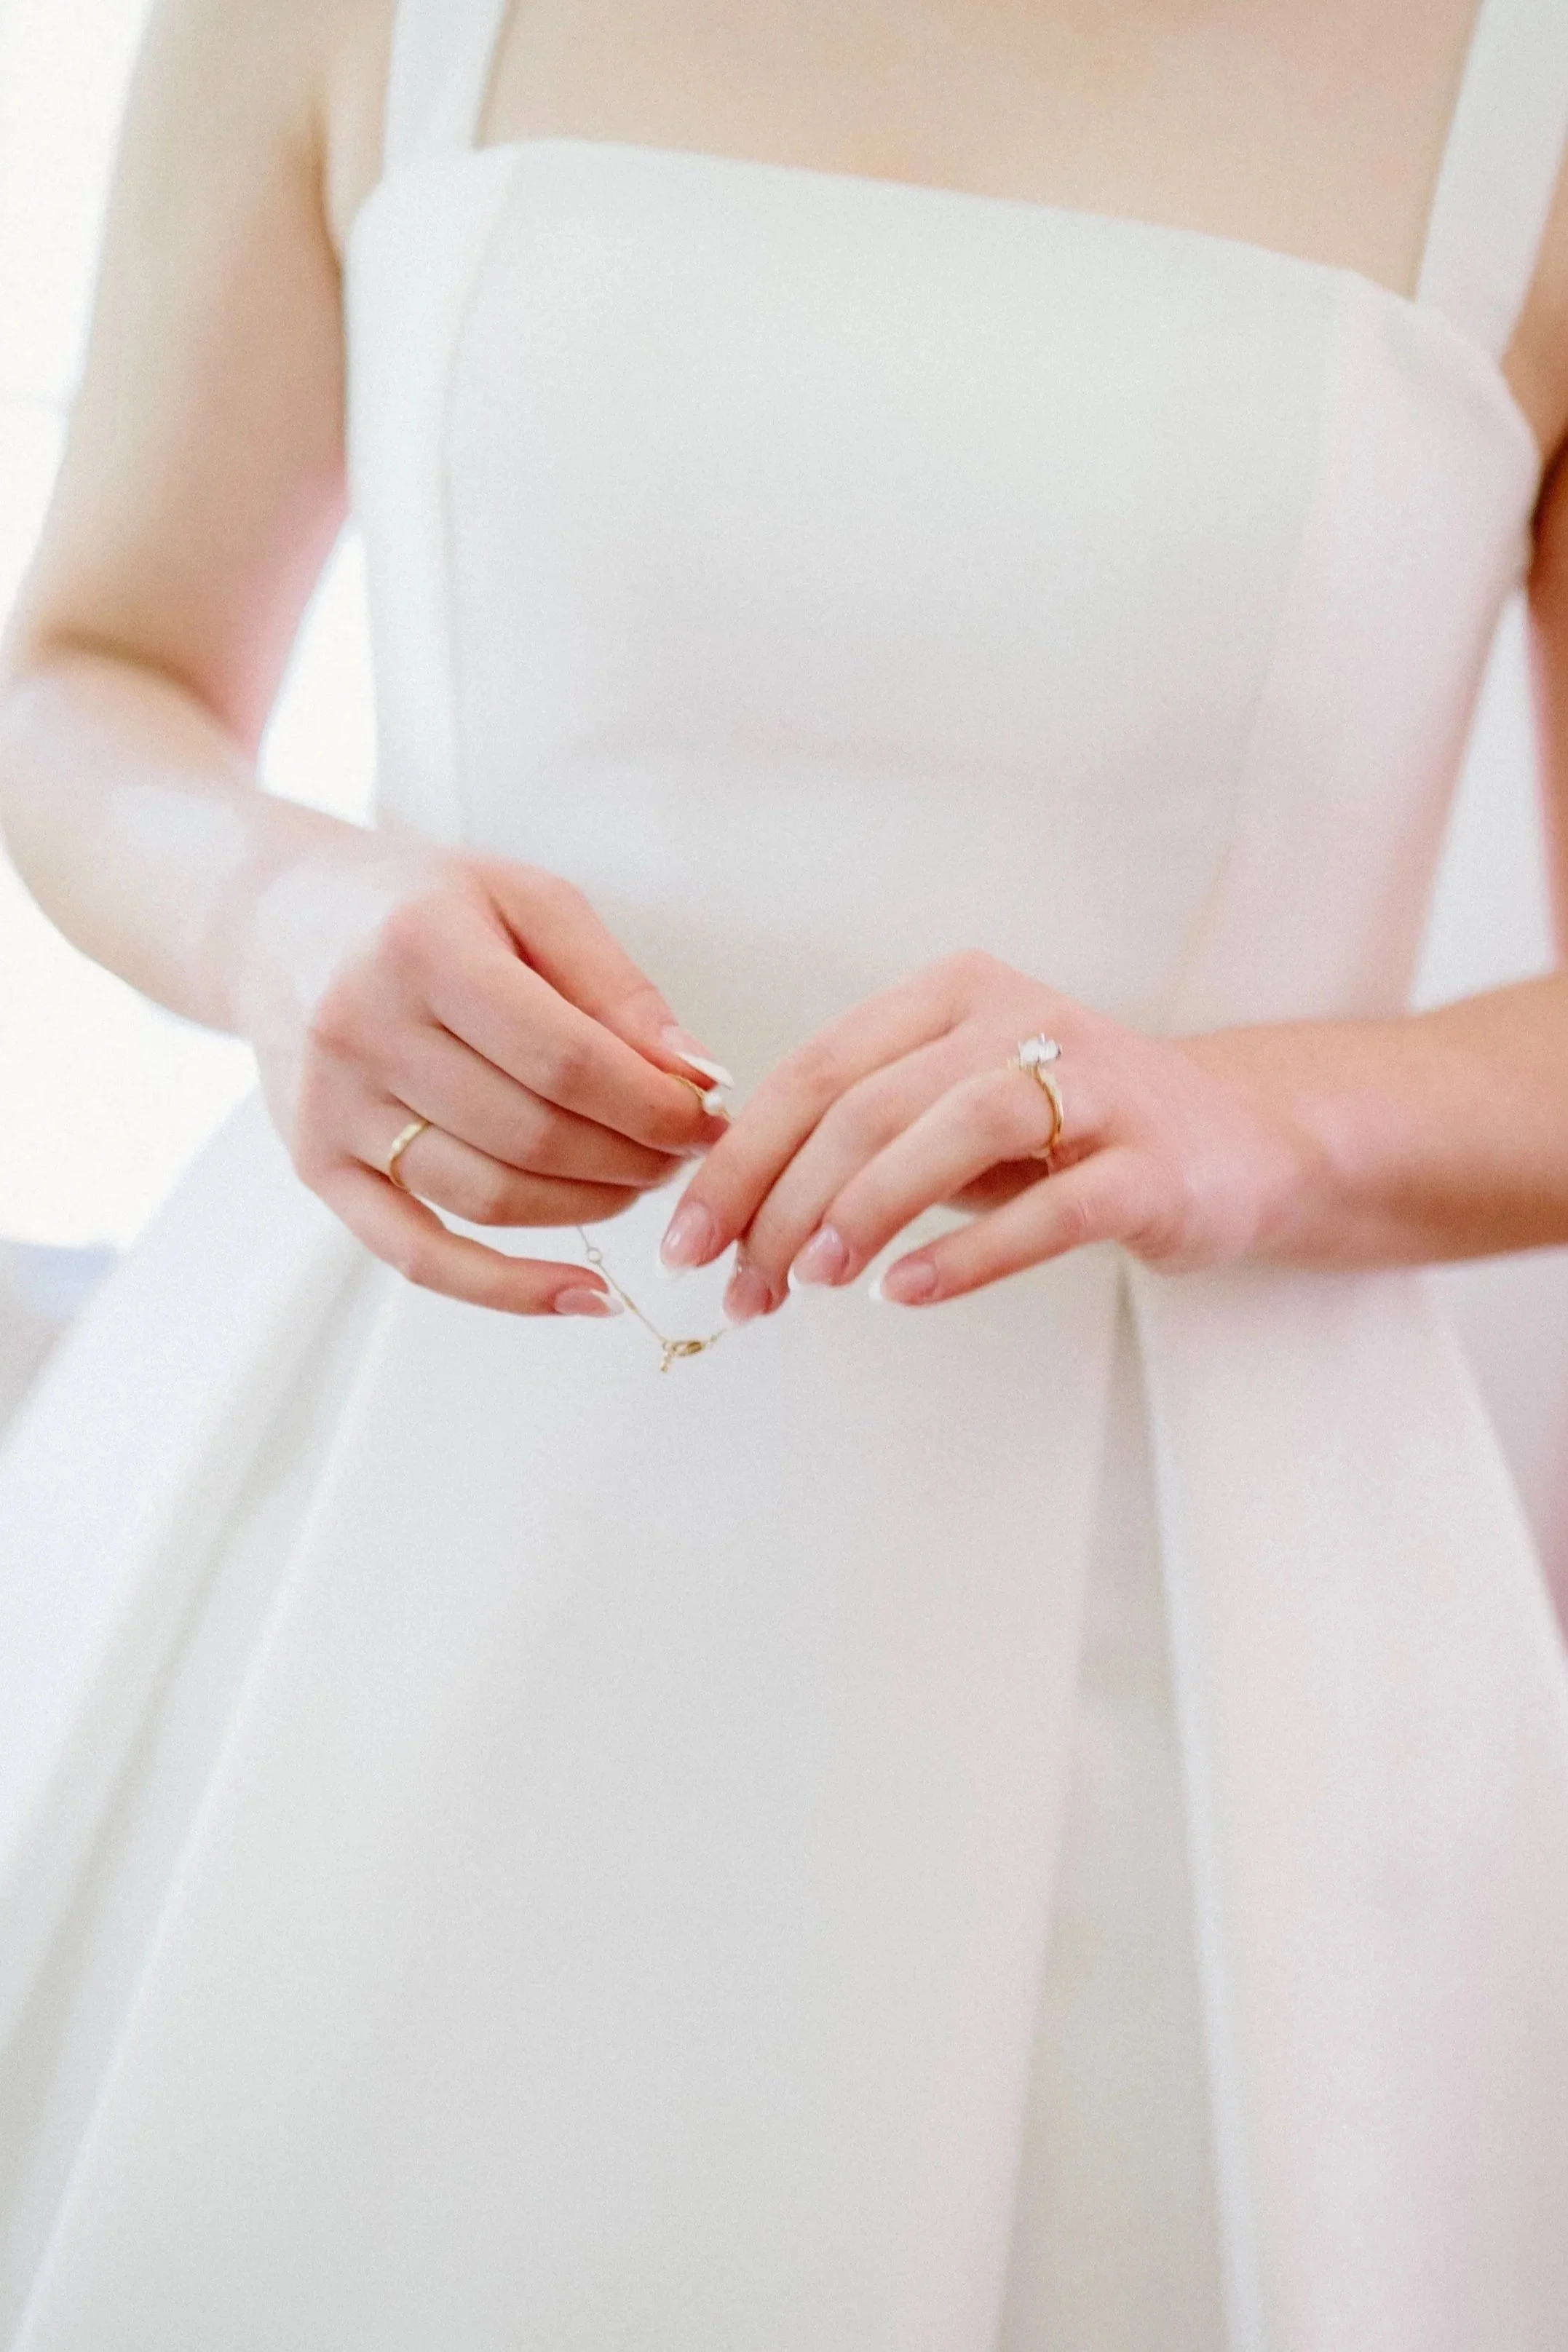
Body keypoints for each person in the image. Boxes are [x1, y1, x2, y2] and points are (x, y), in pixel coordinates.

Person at [1, 0, 1567, 2340]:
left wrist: (1242, 1118)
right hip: (380, 1511)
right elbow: (85, 666)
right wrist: (277, 914)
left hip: (1203, 1617)